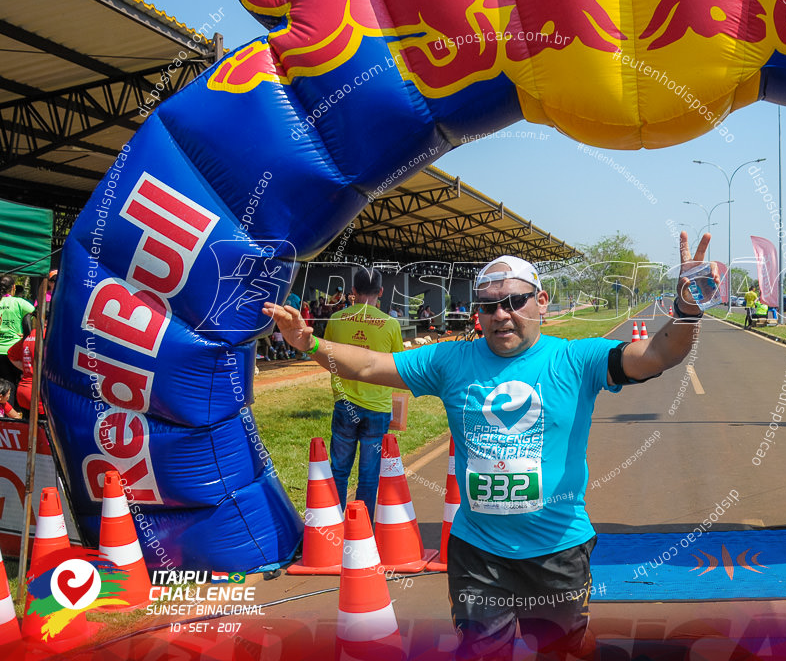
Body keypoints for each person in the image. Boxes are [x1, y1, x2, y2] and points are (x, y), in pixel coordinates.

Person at [263, 232, 711, 660]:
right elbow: (370, 364)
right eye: (490, 306)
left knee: (563, 649)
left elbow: (658, 355)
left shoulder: (575, 359)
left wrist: (687, 309)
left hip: (556, 551)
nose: (502, 314)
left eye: (514, 301)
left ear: (540, 301)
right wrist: (309, 343)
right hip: (478, 553)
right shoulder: (450, 360)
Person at [323, 267, 403, 521]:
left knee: (339, 469)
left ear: (353, 292)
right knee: (369, 474)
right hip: (378, 408)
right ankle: (363, 526)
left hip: (344, 405)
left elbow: (327, 357)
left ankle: (334, 521)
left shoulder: (336, 320)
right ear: (381, 292)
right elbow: (398, 367)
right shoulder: (390, 324)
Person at [0, 276, 34, 386]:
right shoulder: (19, 302)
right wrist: (27, 334)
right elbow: (38, 314)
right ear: (13, 287)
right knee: (15, 385)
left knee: (4, 387)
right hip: (15, 351)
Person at [8, 316, 43, 416]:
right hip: (39, 394)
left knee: (28, 429)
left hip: (23, 392)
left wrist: (28, 369)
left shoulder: (29, 335)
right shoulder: (48, 335)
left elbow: (11, 354)